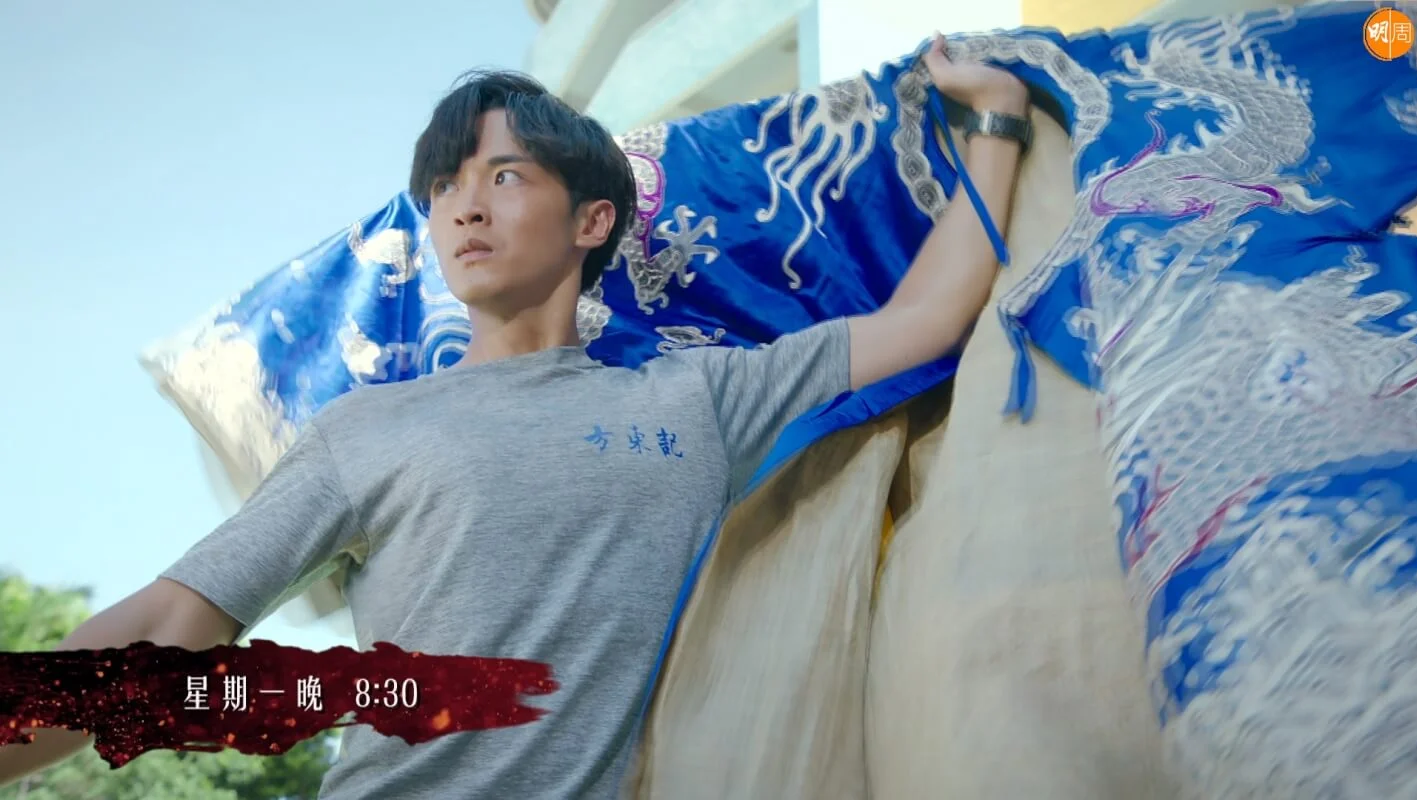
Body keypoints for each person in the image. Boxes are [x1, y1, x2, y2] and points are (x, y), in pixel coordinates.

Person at [0, 34, 1030, 799]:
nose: (464, 206)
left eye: (504, 176)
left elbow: (927, 319)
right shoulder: (368, 429)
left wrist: (995, 120)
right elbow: (169, 625)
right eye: (445, 187)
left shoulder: (700, 396)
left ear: (592, 220)